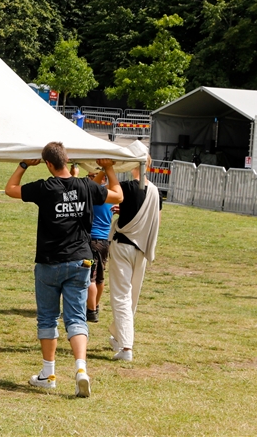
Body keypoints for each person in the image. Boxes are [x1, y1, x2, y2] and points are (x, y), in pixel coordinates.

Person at [5, 142, 122, 398]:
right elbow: (118, 195)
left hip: (49, 262)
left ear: (48, 164)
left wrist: (23, 165)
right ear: (68, 160)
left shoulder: (45, 187)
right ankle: (81, 369)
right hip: (81, 261)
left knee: (48, 318)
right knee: (77, 318)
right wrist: (109, 169)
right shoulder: (88, 186)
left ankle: (48, 373)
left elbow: (10, 190)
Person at [107, 148, 162, 362]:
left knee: (121, 295)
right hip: (142, 248)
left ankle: (126, 347)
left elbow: (111, 193)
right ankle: (119, 335)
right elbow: (153, 219)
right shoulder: (156, 192)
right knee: (132, 296)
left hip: (123, 245)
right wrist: (127, 212)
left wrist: (108, 168)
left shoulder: (128, 187)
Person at [87, 168, 112, 323]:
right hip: (104, 242)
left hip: (92, 241)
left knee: (90, 278)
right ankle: (95, 306)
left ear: (102, 179)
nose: (89, 179)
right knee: (100, 278)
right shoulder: (111, 196)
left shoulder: (93, 195)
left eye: (92, 176)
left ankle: (91, 310)